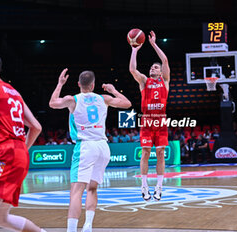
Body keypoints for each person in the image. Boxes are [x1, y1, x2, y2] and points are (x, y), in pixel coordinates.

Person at [49, 68, 131, 232]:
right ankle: (88, 225)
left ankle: (71, 230)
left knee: (76, 191)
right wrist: (113, 90)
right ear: (93, 85)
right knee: (92, 188)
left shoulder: (73, 100)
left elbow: (52, 103)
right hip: (102, 146)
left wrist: (59, 84)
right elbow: (127, 103)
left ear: (79, 84)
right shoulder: (104, 98)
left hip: (85, 146)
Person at [0, 50, 44, 232]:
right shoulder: (14, 92)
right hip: (19, 154)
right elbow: (36, 127)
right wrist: (20, 150)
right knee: (0, 217)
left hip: (4, 153)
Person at [129, 30, 170, 201]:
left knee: (160, 153)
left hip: (161, 122)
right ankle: (144, 186)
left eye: (156, 67)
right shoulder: (144, 81)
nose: (152, 68)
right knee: (145, 152)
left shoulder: (164, 81)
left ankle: (159, 187)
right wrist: (134, 49)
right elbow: (132, 69)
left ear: (160, 72)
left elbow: (165, 60)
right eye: (151, 67)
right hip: (146, 121)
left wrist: (153, 44)